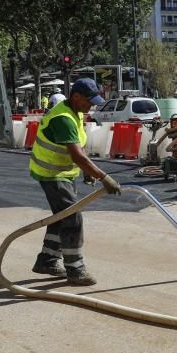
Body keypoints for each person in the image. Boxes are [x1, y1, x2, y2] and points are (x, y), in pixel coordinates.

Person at [29, 78, 121, 286]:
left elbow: (78, 149)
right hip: (51, 173)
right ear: (76, 96)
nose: (92, 105)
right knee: (73, 218)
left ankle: (47, 260)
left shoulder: (75, 112)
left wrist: (86, 171)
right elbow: (78, 156)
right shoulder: (63, 118)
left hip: (63, 172)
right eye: (90, 101)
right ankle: (75, 269)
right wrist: (103, 177)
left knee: (61, 217)